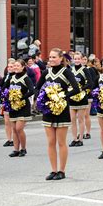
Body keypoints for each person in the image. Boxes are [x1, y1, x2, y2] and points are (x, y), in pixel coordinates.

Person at [35, 48, 80, 181]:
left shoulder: (66, 71)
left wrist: (63, 97)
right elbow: (37, 87)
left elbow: (76, 88)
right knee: (50, 142)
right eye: (50, 57)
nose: (51, 59)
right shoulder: (46, 72)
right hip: (48, 110)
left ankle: (62, 170)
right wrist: (40, 98)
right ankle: (53, 170)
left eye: (54, 57)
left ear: (61, 58)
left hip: (62, 109)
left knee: (61, 142)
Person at [3, 59, 34, 157]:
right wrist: (6, 96)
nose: (15, 67)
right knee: (14, 129)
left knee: (19, 128)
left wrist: (21, 97)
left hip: (23, 106)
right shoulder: (11, 78)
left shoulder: (26, 78)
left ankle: (23, 148)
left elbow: (32, 91)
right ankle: (16, 149)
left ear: (23, 67)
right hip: (13, 106)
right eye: (14, 65)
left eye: (17, 65)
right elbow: (3, 87)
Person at [69, 52, 93, 147]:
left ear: (82, 59)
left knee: (80, 119)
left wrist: (81, 89)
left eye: (79, 58)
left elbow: (90, 83)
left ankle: (81, 139)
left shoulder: (85, 70)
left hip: (82, 97)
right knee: (72, 119)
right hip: (72, 97)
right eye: (75, 59)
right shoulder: (70, 70)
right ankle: (74, 139)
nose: (77, 60)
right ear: (73, 60)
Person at [0, 59, 16, 146]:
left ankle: (14, 139)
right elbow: (1, 86)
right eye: (8, 66)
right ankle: (9, 139)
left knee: (12, 120)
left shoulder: (14, 77)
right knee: (6, 121)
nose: (9, 68)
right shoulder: (6, 76)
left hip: (12, 100)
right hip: (5, 100)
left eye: (11, 67)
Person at [84, 55, 97, 139]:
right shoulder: (74, 70)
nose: (83, 61)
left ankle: (87, 132)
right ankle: (81, 132)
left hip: (87, 93)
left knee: (86, 114)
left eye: (85, 59)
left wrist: (90, 89)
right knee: (79, 116)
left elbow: (94, 81)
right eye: (82, 59)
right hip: (77, 95)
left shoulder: (90, 69)